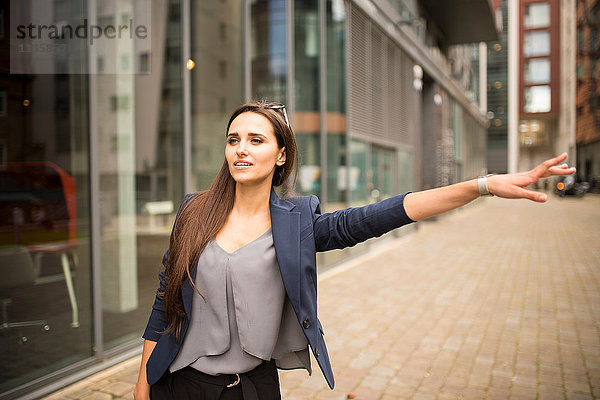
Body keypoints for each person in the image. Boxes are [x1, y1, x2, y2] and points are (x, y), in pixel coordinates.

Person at [134, 101, 575, 400]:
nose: (242, 149)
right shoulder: (194, 213)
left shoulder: (297, 224)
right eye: (234, 140)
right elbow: (163, 305)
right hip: (180, 385)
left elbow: (384, 214)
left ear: (281, 154)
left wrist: (480, 186)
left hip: (252, 389)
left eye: (256, 139)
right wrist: (142, 387)